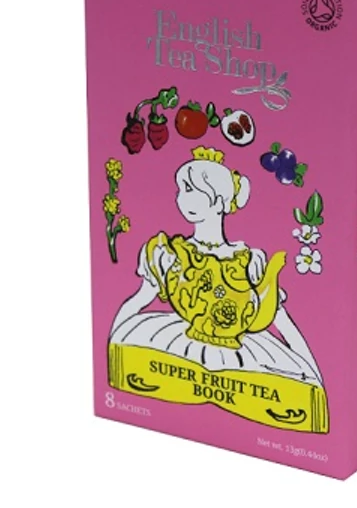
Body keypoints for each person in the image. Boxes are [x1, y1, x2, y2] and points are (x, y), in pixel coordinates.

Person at [109, 146, 323, 384]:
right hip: (174, 348)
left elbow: (280, 319)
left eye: (192, 189)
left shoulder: (249, 261)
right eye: (181, 189)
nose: (182, 198)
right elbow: (139, 299)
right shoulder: (168, 254)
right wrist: (112, 347)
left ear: (220, 202)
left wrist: (314, 379)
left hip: (240, 362)